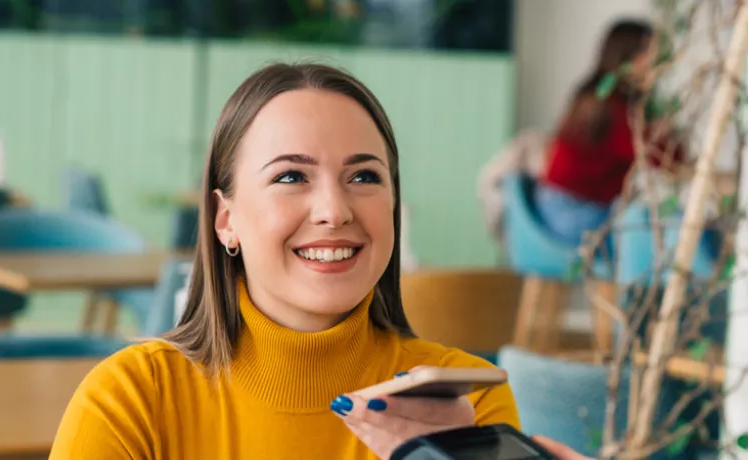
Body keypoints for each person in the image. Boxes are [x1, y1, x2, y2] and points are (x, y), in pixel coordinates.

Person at [48, 63, 588, 460]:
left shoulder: (464, 406)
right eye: (290, 176)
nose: (334, 210)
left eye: (364, 176)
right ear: (225, 219)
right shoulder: (128, 401)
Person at [536, 19, 683, 248]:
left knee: (649, 224)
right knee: (653, 234)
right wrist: (665, 130)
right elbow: (662, 158)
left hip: (553, 204)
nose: (659, 66)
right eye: (652, 56)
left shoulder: (594, 96)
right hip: (573, 212)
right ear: (630, 59)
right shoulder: (611, 109)